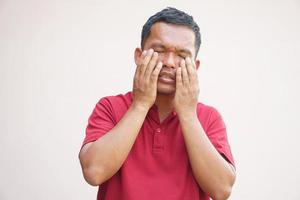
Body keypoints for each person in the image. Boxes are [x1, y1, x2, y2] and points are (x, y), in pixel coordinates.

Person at [79, 7, 236, 200]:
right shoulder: (110, 107)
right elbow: (94, 172)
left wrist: (187, 114)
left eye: (182, 55)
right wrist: (140, 105)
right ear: (139, 55)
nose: (169, 62)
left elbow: (221, 190)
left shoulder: (209, 117)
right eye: (159, 50)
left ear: (195, 66)